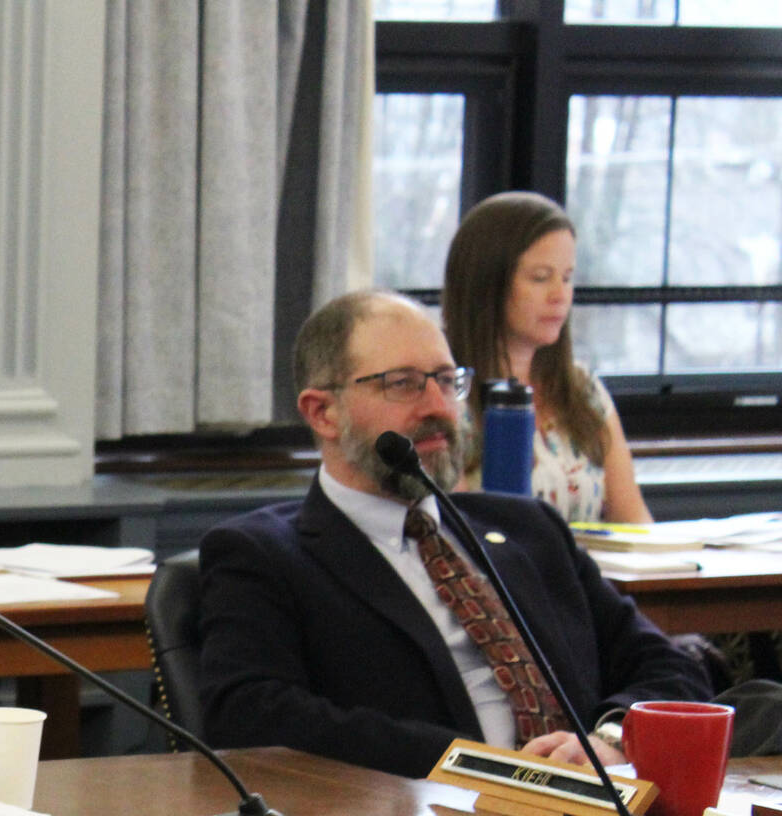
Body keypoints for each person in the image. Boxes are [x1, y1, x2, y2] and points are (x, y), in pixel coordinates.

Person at [197, 290, 709, 781]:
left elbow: (666, 666)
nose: (438, 405)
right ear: (322, 412)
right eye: (402, 383)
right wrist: (479, 768)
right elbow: (250, 717)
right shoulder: (263, 555)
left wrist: (610, 738)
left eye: (447, 380)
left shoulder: (528, 529)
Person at [442, 190, 651, 524]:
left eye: (567, 278)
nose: (560, 295)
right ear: (488, 283)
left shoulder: (584, 389)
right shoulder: (445, 395)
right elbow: (461, 537)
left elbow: (635, 524)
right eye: (540, 278)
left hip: (590, 575)